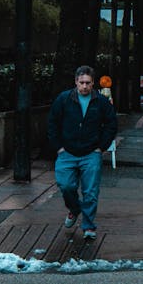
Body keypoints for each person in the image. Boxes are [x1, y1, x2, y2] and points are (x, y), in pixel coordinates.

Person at [47, 65, 117, 240]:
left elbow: (111, 124)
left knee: (90, 192)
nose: (84, 86)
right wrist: (59, 147)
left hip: (91, 152)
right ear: (76, 82)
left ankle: (88, 226)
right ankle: (74, 209)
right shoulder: (64, 99)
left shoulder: (100, 101)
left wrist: (101, 147)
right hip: (67, 152)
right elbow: (52, 123)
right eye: (81, 82)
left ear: (93, 83)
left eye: (88, 83)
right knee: (65, 185)